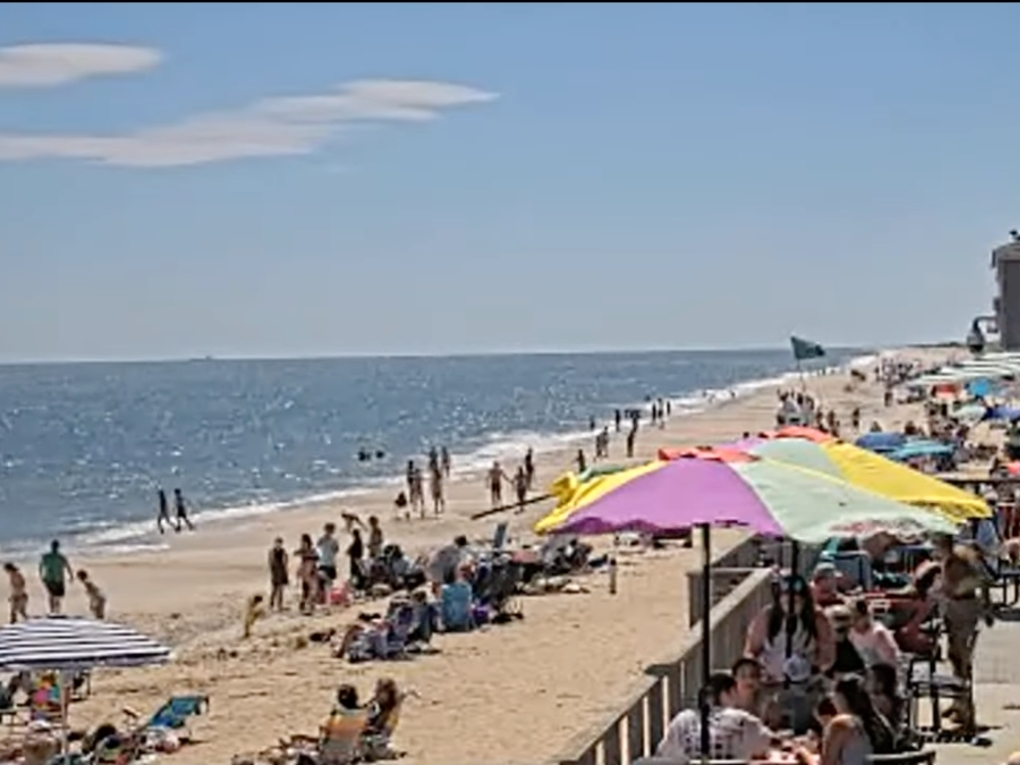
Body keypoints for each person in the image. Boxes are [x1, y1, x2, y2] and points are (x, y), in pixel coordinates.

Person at [745, 573, 835, 733]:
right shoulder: (767, 617)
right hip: (771, 688)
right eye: (786, 599)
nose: (791, 604)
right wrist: (760, 672)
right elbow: (750, 651)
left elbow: (828, 656)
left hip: (806, 688)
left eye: (797, 600)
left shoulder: (817, 619)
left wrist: (810, 667)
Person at [933, 533, 991, 732]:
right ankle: (959, 704)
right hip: (958, 611)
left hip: (962, 611)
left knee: (962, 661)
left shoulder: (956, 562)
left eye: (936, 545)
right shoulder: (951, 560)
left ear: (944, 545)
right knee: (954, 656)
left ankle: (968, 712)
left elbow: (969, 585)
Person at [656, 671, 773, 763]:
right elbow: (767, 745)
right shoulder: (741, 719)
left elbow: (664, 753)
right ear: (730, 692)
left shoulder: (682, 719)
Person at [848, 598, 899, 668]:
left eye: (856, 618)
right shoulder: (852, 634)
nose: (852, 622)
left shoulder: (878, 633)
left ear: (866, 616)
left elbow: (891, 661)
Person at [38, 540, 73, 615]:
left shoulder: (46, 557)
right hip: (58, 578)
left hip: (48, 578)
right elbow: (67, 567)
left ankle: (52, 610)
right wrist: (71, 576)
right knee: (57, 596)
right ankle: (57, 610)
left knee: (51, 595)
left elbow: (40, 567)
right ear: (58, 547)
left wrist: (41, 575)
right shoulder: (61, 557)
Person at [295, 534, 320, 614]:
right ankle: (305, 606)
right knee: (305, 589)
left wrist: (306, 554)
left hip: (311, 571)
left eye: (303, 542)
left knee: (311, 590)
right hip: (306, 572)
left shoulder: (311, 550)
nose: (302, 543)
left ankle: (309, 606)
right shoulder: (304, 550)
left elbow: (317, 556)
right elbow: (295, 553)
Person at [317, 523, 340, 599]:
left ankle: (327, 599)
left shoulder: (333, 540)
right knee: (324, 582)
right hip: (325, 563)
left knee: (327, 583)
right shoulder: (323, 539)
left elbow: (336, 550)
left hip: (328, 563)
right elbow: (336, 550)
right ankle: (325, 598)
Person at [268, 537, 289, 611]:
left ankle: (279, 605)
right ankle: (271, 604)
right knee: (274, 590)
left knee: (280, 590)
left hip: (281, 572)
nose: (278, 545)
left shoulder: (283, 552)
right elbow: (271, 563)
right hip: (275, 572)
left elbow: (285, 562)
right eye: (277, 543)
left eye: (279, 543)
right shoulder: (272, 552)